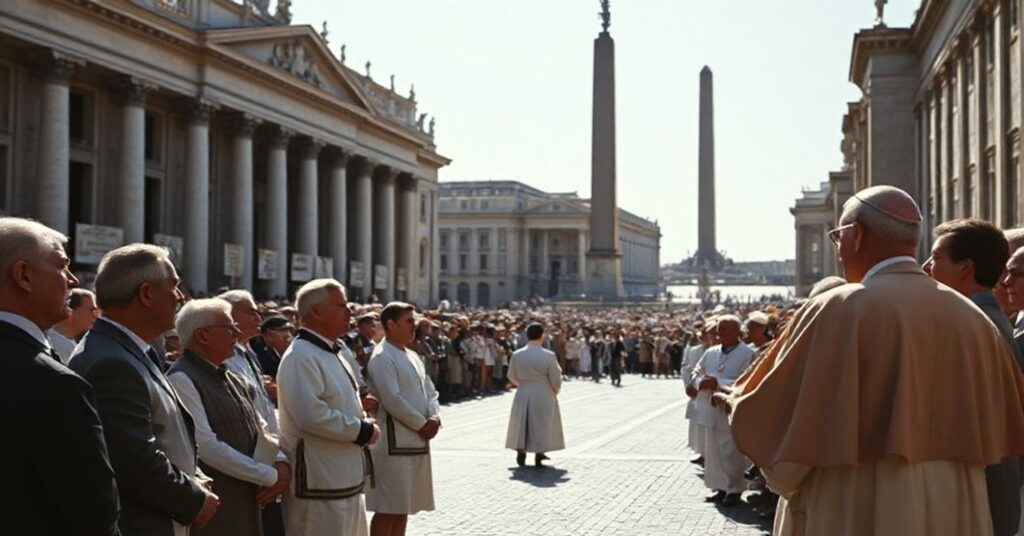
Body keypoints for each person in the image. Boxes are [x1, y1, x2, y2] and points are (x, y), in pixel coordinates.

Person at [730, 186, 1024, 536]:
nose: (837, 248)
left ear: (855, 236)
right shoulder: (973, 318)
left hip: (856, 498)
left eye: (838, 236)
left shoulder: (837, 308)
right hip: (954, 500)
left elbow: (786, 423)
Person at [70, 244, 219, 536]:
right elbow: (133, 460)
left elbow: (160, 430)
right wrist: (193, 497)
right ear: (147, 293)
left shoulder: (130, 350)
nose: (181, 297)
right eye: (174, 286)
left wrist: (193, 475)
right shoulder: (111, 362)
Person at [1, 217, 120, 535]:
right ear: (23, 275)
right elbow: (94, 513)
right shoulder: (54, 384)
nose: (72, 280)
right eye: (62, 266)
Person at [923, 218, 1022, 535]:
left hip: (984, 490)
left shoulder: (974, 324)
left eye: (937, 258)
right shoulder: (982, 318)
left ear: (965, 268)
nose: (926, 267)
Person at [167, 299, 292, 536]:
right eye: (229, 327)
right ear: (203, 336)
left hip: (249, 499)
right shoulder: (182, 379)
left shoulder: (230, 376)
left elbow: (261, 427)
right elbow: (205, 445)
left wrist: (281, 461)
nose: (236, 333)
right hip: (220, 507)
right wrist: (269, 475)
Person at [276, 279, 380, 536]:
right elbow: (311, 416)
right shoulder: (301, 355)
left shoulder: (332, 351)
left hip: (342, 478)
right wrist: (361, 430)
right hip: (320, 482)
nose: (349, 312)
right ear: (317, 311)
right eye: (341, 305)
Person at [366, 302, 441, 536]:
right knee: (388, 507)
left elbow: (430, 391)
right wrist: (422, 424)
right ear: (391, 324)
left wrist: (435, 417)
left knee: (403, 507)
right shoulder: (382, 356)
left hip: (415, 442)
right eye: (409, 321)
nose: (414, 326)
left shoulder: (413, 356)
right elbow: (392, 399)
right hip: (393, 445)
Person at [690, 315, 754, 507]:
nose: (719, 334)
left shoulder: (747, 353)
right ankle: (719, 487)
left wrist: (718, 383)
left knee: (731, 451)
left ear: (737, 331)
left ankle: (734, 489)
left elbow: (747, 380)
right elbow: (695, 373)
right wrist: (701, 382)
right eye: (718, 330)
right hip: (709, 408)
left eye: (724, 329)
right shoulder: (710, 352)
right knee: (713, 450)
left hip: (729, 407)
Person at [505, 322, 565, 467]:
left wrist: (522, 385)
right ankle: (539, 453)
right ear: (542, 336)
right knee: (541, 423)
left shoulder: (517, 354)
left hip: (523, 391)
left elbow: (511, 375)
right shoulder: (548, 355)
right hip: (543, 391)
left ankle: (521, 449)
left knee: (522, 423)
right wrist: (555, 390)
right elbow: (556, 378)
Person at [46, 287, 99, 363]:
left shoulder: (65, 342)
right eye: (91, 310)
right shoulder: (57, 344)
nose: (95, 316)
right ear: (71, 310)